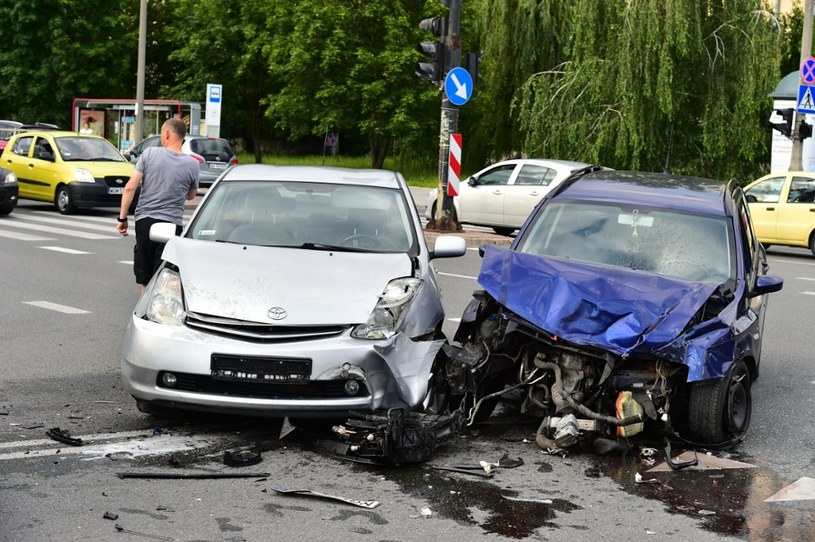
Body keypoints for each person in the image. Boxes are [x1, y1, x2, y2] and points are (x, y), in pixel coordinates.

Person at [116, 118, 199, 293]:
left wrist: (122, 218)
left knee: (145, 280)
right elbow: (191, 195)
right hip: (171, 224)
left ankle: (145, 315)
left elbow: (130, 187)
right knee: (164, 276)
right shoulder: (193, 164)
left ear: (167, 134)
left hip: (145, 222)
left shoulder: (149, 154)